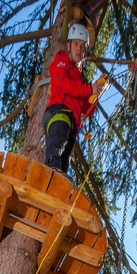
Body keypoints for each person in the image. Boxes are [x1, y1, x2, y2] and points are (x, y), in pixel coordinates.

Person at [43, 23, 106, 174]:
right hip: (59, 113)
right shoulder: (62, 60)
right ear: (68, 45)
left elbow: (86, 109)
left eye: (83, 46)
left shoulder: (78, 78)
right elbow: (61, 85)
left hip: (71, 122)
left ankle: (57, 181)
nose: (80, 49)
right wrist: (89, 88)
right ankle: (50, 169)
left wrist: (96, 90)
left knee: (64, 159)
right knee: (57, 145)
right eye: (76, 44)